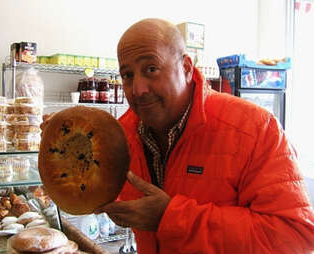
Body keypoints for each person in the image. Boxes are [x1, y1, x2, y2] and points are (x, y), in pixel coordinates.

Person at [92, 18, 314, 253]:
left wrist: (171, 218)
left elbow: (295, 237)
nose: (138, 89)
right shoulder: (121, 135)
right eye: (127, 75)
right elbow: (95, 193)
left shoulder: (255, 129)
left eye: (151, 69)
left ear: (186, 68)